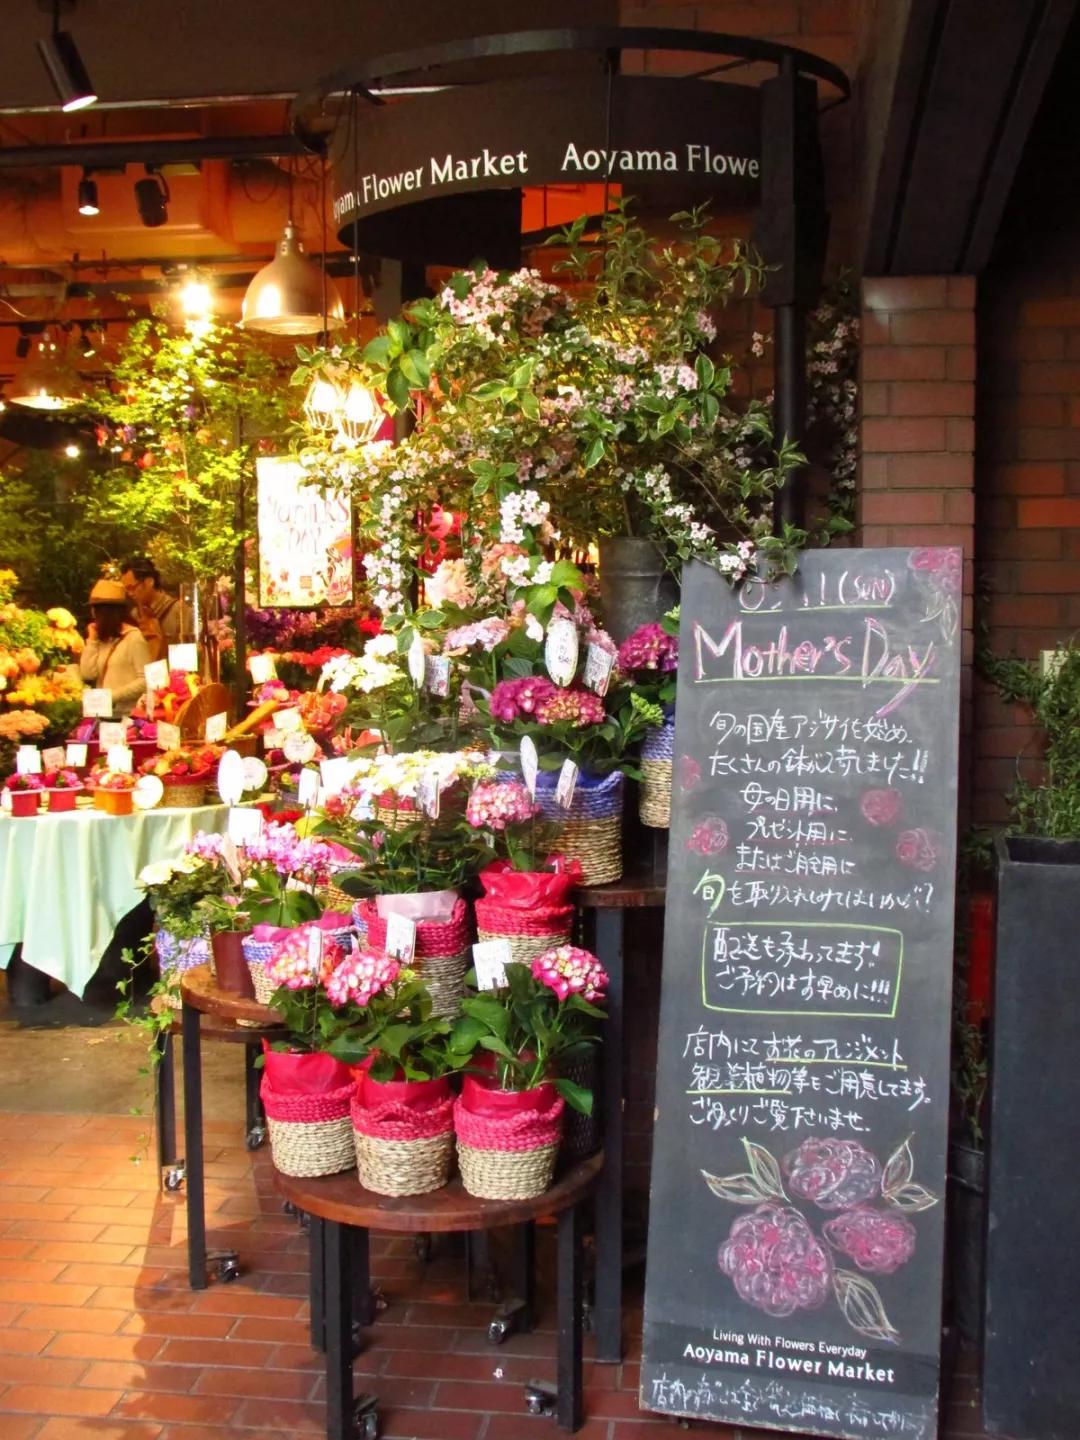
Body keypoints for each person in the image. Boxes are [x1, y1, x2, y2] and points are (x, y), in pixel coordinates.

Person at [79, 579, 151, 717]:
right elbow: (87, 674)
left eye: (95, 610)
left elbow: (145, 681)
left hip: (127, 717)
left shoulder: (134, 638)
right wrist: (92, 641)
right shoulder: (103, 639)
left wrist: (112, 696)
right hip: (104, 715)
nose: (93, 614)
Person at [120, 556, 189, 662]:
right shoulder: (134, 615)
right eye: (127, 590)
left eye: (132, 587)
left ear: (149, 581)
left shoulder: (179, 611)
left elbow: (188, 657)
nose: (130, 594)